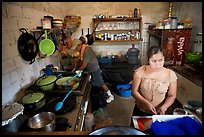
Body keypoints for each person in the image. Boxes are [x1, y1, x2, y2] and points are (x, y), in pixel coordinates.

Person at [130, 46, 177, 125]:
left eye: (160, 60)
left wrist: (164, 107)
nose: (158, 64)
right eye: (154, 61)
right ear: (148, 60)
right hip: (141, 111)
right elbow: (134, 91)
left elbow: (172, 95)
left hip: (159, 113)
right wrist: (146, 103)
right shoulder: (140, 71)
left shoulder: (170, 74)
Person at [70, 37, 114, 103]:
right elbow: (82, 60)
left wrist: (78, 70)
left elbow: (85, 64)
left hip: (94, 69)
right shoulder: (84, 48)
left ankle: (110, 95)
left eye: (76, 47)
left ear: (79, 45)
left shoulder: (86, 50)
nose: (76, 49)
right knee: (95, 83)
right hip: (91, 69)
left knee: (101, 83)